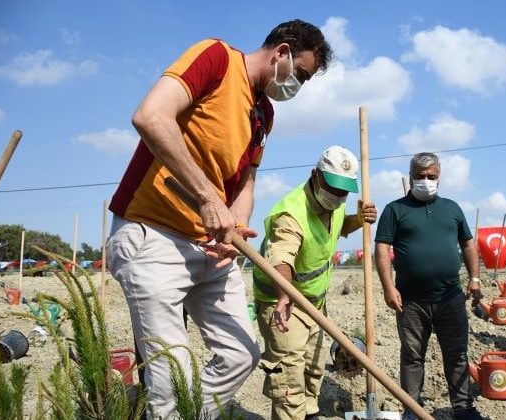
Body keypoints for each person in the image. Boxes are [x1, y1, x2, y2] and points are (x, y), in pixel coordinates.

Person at [106, 20, 331, 418]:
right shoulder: (216, 58)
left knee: (241, 354)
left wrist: (234, 229)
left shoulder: (263, 113)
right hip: (152, 234)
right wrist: (208, 197)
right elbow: (150, 116)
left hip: (209, 248)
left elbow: (245, 182)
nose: (298, 87)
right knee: (170, 377)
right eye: (300, 75)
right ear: (281, 52)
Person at [253, 146, 377, 420]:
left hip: (316, 306)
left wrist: (359, 220)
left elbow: (336, 227)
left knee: (313, 368)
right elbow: (282, 257)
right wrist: (285, 294)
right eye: (332, 188)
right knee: (289, 381)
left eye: (343, 191)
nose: (337, 196)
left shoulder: (331, 204)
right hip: (284, 304)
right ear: (315, 175)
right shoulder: (291, 213)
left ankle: (309, 414)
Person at [374, 152, 483, 420]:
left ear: (439, 177)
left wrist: (475, 278)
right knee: (412, 357)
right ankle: (412, 409)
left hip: (450, 297)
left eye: (431, 176)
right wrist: (389, 287)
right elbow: (382, 248)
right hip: (410, 301)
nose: (425, 181)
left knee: (457, 354)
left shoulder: (452, 208)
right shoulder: (395, 209)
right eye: (420, 176)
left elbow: (468, 243)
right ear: (410, 177)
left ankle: (463, 408)